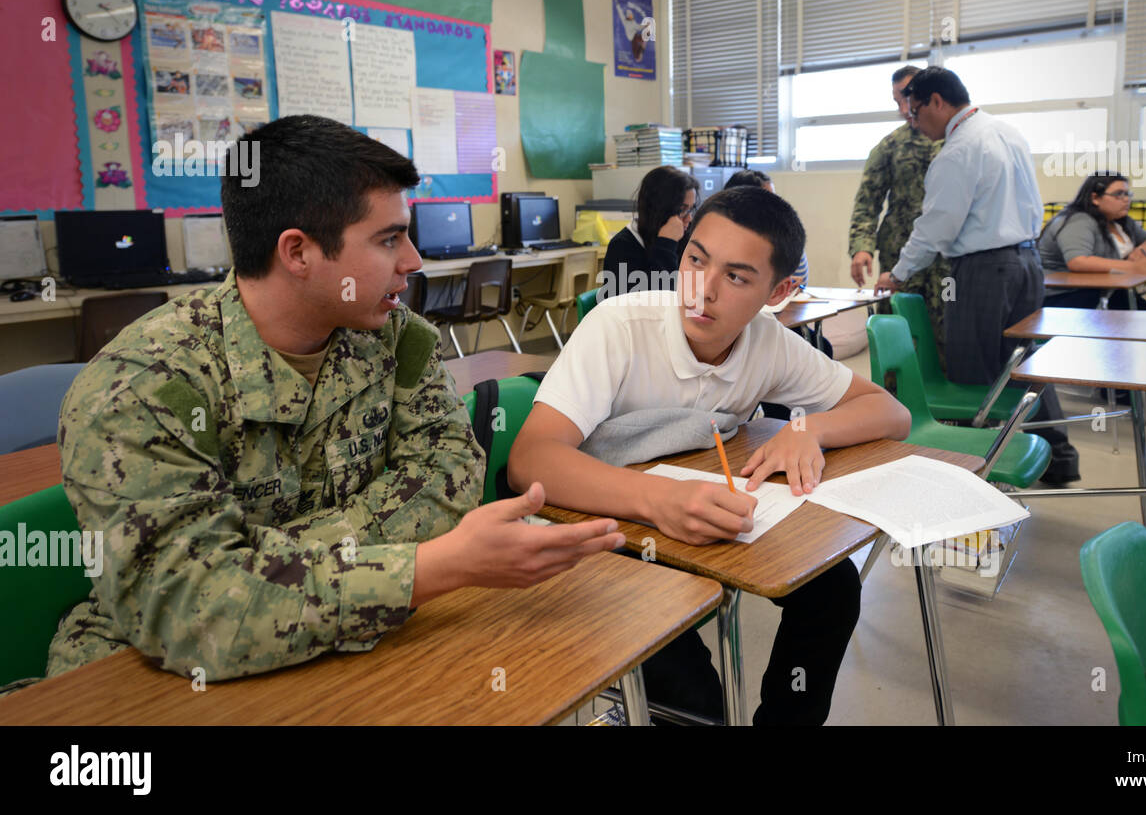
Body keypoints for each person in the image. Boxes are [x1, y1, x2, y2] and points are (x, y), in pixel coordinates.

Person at [40, 115, 624, 688]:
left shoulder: (396, 336)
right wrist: (426, 568)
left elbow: (452, 474)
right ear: (298, 252)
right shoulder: (141, 388)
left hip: (361, 650)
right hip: (151, 676)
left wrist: (263, 564)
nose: (414, 261)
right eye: (389, 238)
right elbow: (197, 608)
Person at [508, 186, 911, 725]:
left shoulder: (767, 342)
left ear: (780, 290)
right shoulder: (620, 327)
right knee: (692, 692)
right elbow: (531, 459)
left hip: (694, 522)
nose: (703, 290)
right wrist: (657, 500)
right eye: (695, 260)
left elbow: (891, 413)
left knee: (832, 590)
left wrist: (808, 428)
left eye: (738, 277)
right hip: (599, 530)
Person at [875, 67, 1079, 485]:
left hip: (985, 271)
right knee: (1026, 365)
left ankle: (977, 475)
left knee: (973, 370)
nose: (913, 122)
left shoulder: (958, 150)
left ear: (936, 101)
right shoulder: (1006, 133)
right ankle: (1059, 458)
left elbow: (936, 227)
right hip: (1027, 263)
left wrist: (898, 273)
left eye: (915, 112)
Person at [848, 65, 950, 367]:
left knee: (948, 337)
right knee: (899, 336)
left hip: (947, 262)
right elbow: (867, 201)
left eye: (908, 98)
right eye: (897, 102)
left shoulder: (957, 142)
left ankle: (954, 410)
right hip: (899, 259)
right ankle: (895, 406)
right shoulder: (890, 146)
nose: (904, 108)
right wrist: (861, 246)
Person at [1039, 171, 1146, 310]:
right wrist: (1134, 267)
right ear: (1095, 198)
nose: (1126, 199)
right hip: (1066, 296)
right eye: (1118, 194)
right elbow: (1078, 261)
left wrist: (1143, 249)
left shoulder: (1120, 222)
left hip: (1106, 291)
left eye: (1127, 194)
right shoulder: (1078, 221)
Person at [600, 165, 700, 297]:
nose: (689, 218)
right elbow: (658, 299)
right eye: (682, 210)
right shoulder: (623, 246)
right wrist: (666, 244)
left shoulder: (682, 237)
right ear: (659, 209)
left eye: (690, 209)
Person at [725, 169, 809, 287]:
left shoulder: (781, 233)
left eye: (775, 199)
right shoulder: (722, 235)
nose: (774, 207)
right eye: (767, 201)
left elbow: (801, 280)